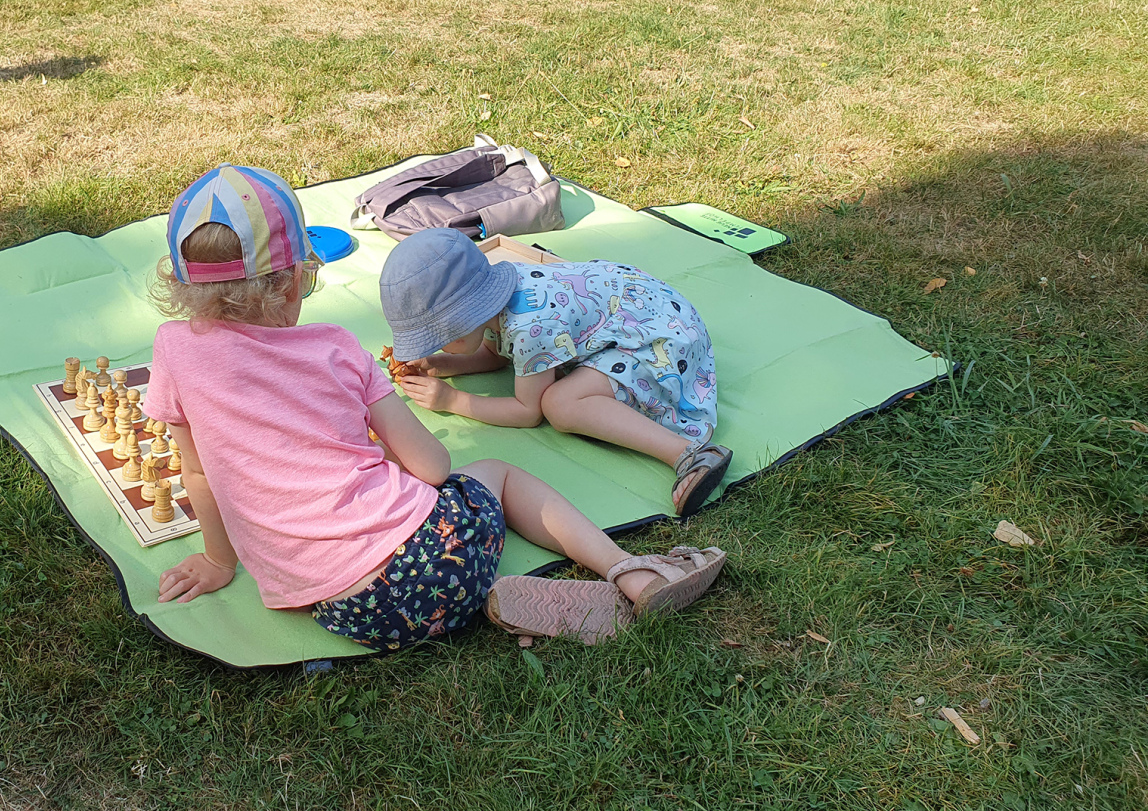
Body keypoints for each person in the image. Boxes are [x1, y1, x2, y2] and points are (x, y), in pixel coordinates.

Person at [143, 165, 727, 649]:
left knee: (405, 560)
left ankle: (493, 602)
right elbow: (433, 469)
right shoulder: (337, 349)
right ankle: (625, 570)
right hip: (435, 562)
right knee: (496, 475)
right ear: (296, 279)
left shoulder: (173, 351)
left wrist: (219, 562)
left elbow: (197, 472)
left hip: (348, 614)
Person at [379, 228, 732, 519]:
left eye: (437, 341)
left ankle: (688, 453)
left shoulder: (531, 326)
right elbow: (496, 354)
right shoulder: (496, 294)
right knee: (559, 394)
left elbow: (527, 412)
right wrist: (446, 364)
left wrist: (452, 399)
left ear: (461, 325)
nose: (432, 349)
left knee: (560, 404)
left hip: (661, 341)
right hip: (646, 311)